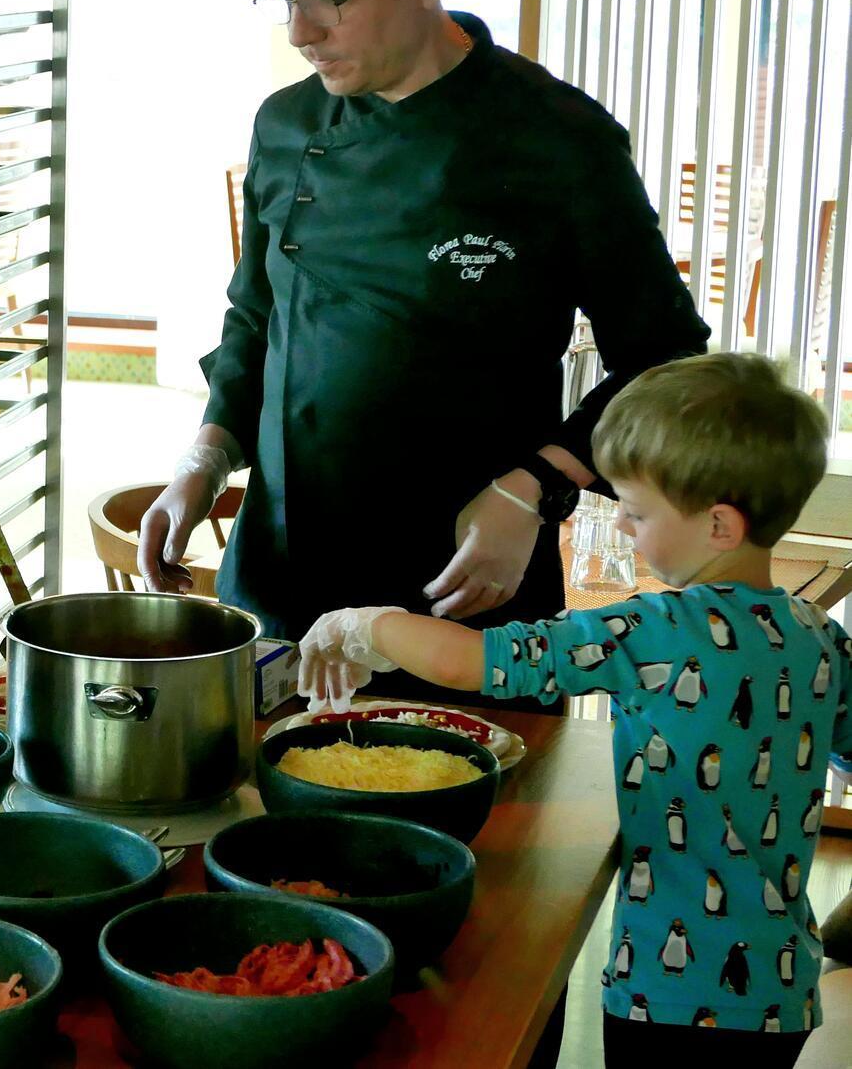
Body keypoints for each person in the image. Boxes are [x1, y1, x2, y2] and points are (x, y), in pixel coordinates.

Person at [137, 0, 709, 705]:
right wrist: (207, 453)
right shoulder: (287, 123)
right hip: (279, 588)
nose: (301, 29)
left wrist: (534, 491)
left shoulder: (555, 140)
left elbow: (666, 360)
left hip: (460, 605)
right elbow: (254, 314)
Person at [297, 352, 851, 1064]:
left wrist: (359, 622)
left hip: (671, 989)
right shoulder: (821, 638)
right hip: (784, 983)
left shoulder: (654, 630)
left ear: (719, 526)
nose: (623, 528)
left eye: (639, 511)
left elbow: (470, 660)